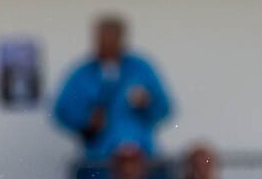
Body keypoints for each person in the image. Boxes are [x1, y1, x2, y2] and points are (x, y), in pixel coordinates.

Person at [51, 14, 172, 160]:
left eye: (110, 38)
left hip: (139, 154)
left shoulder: (141, 69)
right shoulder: (82, 74)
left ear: (121, 39)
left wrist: (147, 103)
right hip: (99, 156)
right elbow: (61, 111)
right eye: (101, 38)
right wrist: (87, 120)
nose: (105, 43)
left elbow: (165, 108)